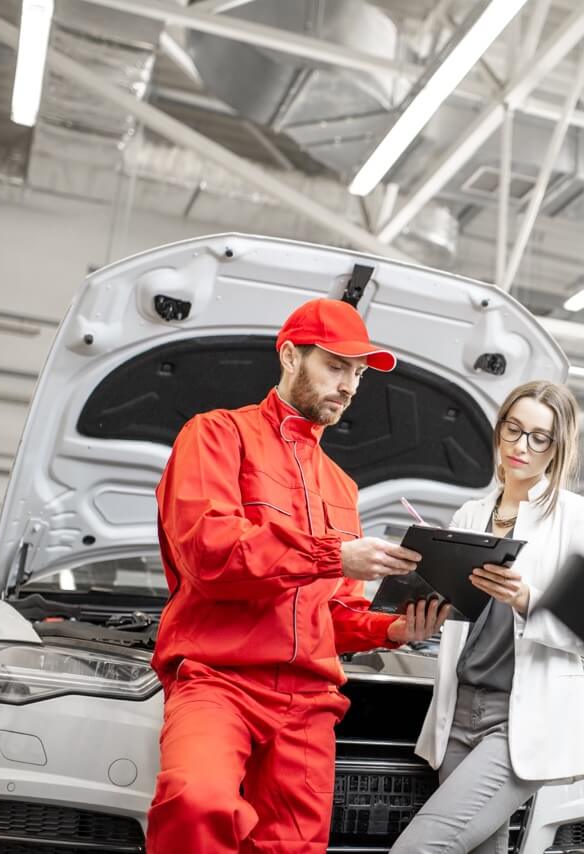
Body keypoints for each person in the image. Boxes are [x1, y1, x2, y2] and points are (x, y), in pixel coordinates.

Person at [146, 297, 450, 853]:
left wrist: (392, 630)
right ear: (290, 355)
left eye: (357, 374)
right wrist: (333, 555)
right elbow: (211, 553)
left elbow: (332, 616)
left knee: (291, 848)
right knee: (195, 800)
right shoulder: (216, 436)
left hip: (308, 703)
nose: (350, 386)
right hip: (219, 679)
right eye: (335, 366)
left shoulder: (341, 487)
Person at [392, 380, 584, 854]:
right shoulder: (469, 514)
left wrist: (529, 598)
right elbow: (456, 611)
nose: (521, 446)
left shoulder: (575, 517)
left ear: (557, 448)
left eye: (539, 437)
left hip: (518, 722)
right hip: (458, 713)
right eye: (514, 429)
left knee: (418, 849)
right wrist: (423, 613)